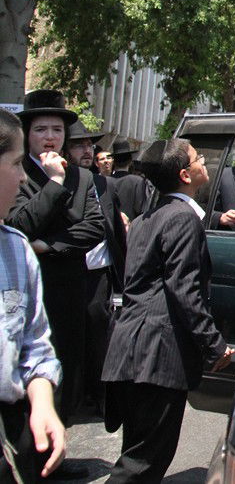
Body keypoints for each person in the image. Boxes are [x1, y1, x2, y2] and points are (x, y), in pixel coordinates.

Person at [102, 139, 234, 483]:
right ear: (185, 175)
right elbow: (184, 289)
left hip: (131, 352)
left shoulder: (147, 218)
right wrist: (213, 343)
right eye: (197, 157)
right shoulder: (181, 218)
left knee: (137, 453)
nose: (203, 160)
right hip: (155, 356)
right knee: (142, 464)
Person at [6, 91, 104, 439]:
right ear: (27, 134)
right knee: (28, 371)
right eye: (41, 130)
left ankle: (55, 443)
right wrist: (54, 183)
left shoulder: (83, 177)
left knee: (66, 370)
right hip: (27, 291)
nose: (50, 137)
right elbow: (20, 223)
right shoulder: (17, 173)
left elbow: (94, 227)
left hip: (69, 290)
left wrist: (47, 244)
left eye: (57, 130)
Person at [0, 108, 66, 482]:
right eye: (15, 163)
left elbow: (34, 345)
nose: (23, 175)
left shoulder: (15, 250)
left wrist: (42, 404)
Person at [64, 121, 123, 417]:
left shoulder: (105, 185)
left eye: (89, 145)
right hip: (68, 269)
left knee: (100, 332)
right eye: (78, 145)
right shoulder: (59, 182)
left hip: (100, 272)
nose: (86, 151)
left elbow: (115, 229)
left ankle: (99, 394)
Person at [109, 139, 154, 221]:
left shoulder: (105, 181)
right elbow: (142, 209)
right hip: (131, 225)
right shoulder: (138, 181)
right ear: (130, 161)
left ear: (114, 162)